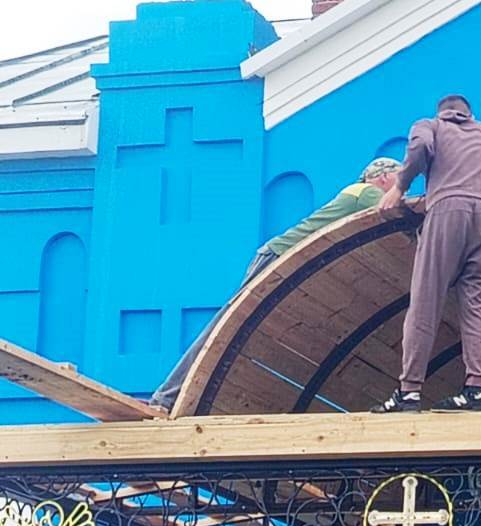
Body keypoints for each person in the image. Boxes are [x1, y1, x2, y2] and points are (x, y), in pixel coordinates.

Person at [151, 157, 402, 410]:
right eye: (399, 177)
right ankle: (166, 396)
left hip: (278, 256)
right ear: (383, 177)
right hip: (277, 257)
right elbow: (395, 211)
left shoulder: (355, 193)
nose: (403, 184)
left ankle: (169, 398)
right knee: (223, 328)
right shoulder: (366, 192)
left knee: (229, 330)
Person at [372, 94, 481, 414]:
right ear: (469, 114)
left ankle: (409, 392)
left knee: (425, 301)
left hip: (448, 209)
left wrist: (400, 187)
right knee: (477, 306)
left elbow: (420, 148)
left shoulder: (430, 125)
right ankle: (476, 390)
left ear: (442, 112)